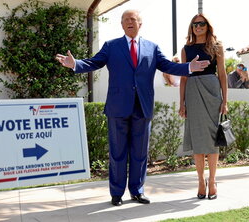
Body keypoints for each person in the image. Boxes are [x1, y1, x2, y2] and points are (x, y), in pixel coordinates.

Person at [56, 9, 210, 206]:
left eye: (133, 19)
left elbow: (167, 66)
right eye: (126, 20)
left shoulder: (152, 47)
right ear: (122, 25)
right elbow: (94, 62)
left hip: (142, 107)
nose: (129, 22)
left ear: (140, 24)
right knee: (117, 153)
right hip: (118, 108)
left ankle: (137, 191)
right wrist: (75, 64)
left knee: (140, 153)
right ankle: (117, 194)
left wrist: (189, 67)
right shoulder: (111, 46)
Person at [179, 14, 228, 200]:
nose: (198, 26)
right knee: (198, 139)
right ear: (191, 27)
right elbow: (183, 77)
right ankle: (201, 181)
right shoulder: (186, 49)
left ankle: (213, 180)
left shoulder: (217, 46)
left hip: (212, 92)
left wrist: (225, 101)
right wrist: (182, 102)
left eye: (202, 23)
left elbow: (222, 75)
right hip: (192, 92)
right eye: (195, 24)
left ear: (208, 26)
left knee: (213, 140)